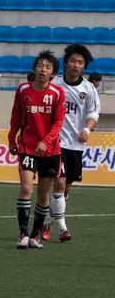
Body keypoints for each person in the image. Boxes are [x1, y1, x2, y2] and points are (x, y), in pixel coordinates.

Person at [8, 51, 64, 249]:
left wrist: (46, 141)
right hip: (27, 147)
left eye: (48, 67)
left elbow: (58, 123)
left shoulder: (57, 93)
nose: (43, 69)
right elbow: (16, 116)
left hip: (50, 151)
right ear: (34, 69)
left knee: (43, 194)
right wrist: (11, 138)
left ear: (53, 74)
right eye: (40, 65)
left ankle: (35, 235)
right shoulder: (23, 90)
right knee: (26, 187)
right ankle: (23, 233)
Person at [47, 44, 101, 243]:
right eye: (73, 61)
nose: (76, 65)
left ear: (84, 66)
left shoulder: (88, 89)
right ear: (65, 63)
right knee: (59, 183)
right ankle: (62, 227)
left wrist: (87, 129)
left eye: (80, 62)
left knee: (66, 186)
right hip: (55, 143)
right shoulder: (55, 84)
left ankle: (46, 221)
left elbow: (93, 113)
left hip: (76, 145)